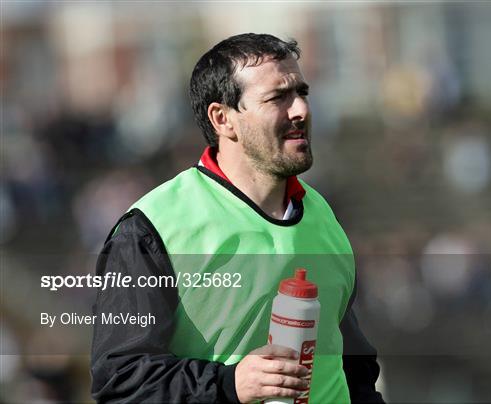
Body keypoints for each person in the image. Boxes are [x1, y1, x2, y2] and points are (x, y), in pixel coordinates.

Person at [91, 33, 384, 403]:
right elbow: (121, 381)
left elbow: (353, 369)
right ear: (223, 119)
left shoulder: (323, 216)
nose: (301, 111)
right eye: (278, 98)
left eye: (302, 93)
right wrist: (230, 385)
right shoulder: (151, 229)